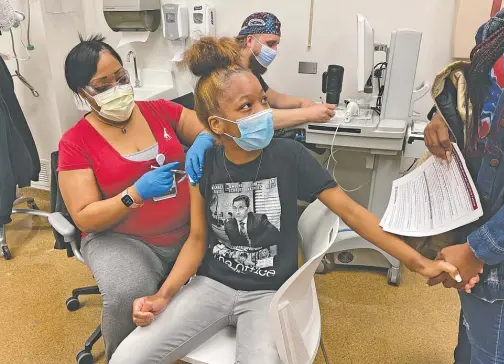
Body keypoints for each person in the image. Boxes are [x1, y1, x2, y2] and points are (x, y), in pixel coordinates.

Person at [109, 36, 462, 364]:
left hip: (268, 293)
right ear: (217, 124)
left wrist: (418, 263)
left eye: (262, 101)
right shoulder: (205, 164)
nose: (263, 113)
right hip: (211, 286)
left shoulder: (289, 156)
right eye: (247, 107)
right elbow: (198, 240)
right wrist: (164, 295)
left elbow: (354, 214)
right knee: (126, 358)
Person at [58, 34, 214, 360]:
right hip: (124, 240)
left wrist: (203, 139)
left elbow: (209, 126)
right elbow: (85, 215)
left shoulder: (157, 110)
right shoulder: (76, 142)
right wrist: (134, 194)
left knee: (242, 267)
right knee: (129, 293)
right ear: (81, 94)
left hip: (190, 229)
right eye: (103, 86)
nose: (117, 89)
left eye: (121, 78)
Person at [424, 2, 504, 363]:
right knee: (469, 347)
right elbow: (480, 90)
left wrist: (479, 249)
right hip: (477, 218)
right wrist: (441, 117)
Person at [235, 12, 337, 129]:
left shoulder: (251, 70)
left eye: (276, 45)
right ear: (249, 41)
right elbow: (254, 118)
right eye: (270, 43)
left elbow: (274, 99)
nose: (274, 51)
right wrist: (309, 114)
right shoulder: (232, 73)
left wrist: (301, 102)